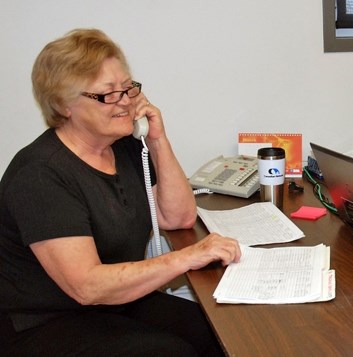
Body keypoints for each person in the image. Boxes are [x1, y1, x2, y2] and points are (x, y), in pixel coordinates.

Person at [0, 29, 242, 355]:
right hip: (45, 322)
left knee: (219, 333)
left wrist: (156, 139)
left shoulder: (125, 146)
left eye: (128, 87)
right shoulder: (40, 174)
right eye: (108, 94)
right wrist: (186, 258)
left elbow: (178, 216)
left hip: (113, 304)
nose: (126, 101)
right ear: (63, 104)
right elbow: (86, 286)